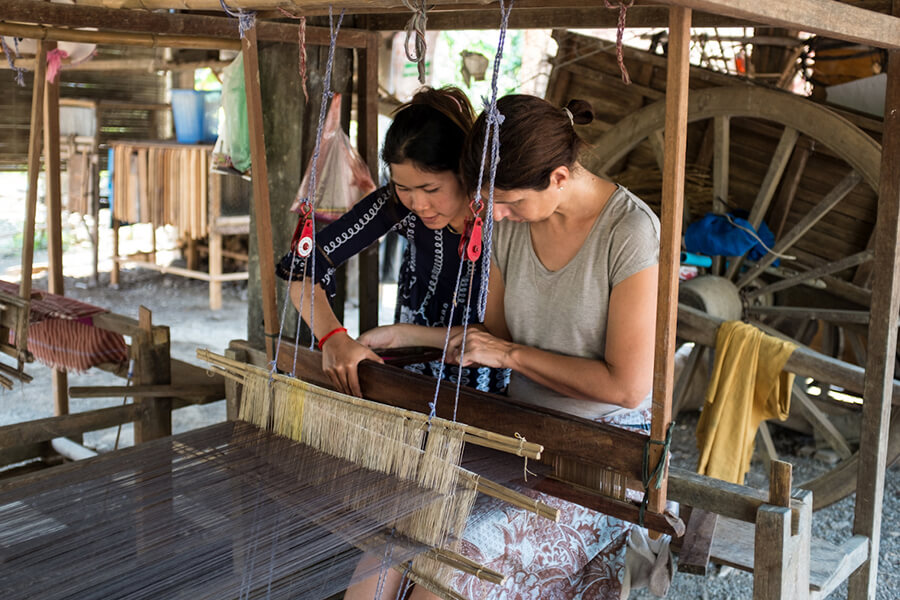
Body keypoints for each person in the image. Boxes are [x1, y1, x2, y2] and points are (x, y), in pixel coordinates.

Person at [349, 94, 661, 599]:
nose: (494, 213)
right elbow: (496, 341)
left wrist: (510, 358)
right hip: (520, 440)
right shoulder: (511, 226)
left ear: (559, 177)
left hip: (600, 464)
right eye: (490, 199)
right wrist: (410, 337)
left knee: (447, 566)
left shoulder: (630, 233)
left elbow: (626, 388)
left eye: (510, 200)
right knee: (384, 545)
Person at [276, 86, 508, 398]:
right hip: (412, 371)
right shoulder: (395, 205)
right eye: (403, 187)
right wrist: (332, 337)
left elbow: (499, 337)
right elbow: (302, 269)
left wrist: (402, 334)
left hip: (488, 382)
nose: (418, 204)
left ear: (464, 171)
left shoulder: (504, 216)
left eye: (430, 188)